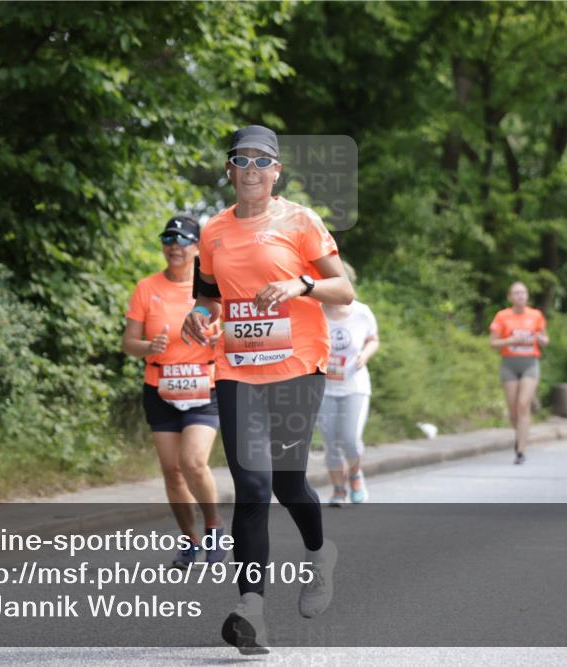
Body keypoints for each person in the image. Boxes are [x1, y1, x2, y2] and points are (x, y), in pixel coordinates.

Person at [181, 125, 354, 654]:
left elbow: (343, 290)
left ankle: (319, 554)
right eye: (242, 160)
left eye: (262, 161)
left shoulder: (300, 220)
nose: (252, 169)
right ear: (230, 170)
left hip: (298, 365)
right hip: (237, 369)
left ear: (277, 171)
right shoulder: (212, 231)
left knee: (286, 482)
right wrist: (196, 316)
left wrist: (300, 284)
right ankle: (251, 610)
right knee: (252, 488)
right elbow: (207, 299)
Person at [123, 215, 226, 568]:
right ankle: (189, 540)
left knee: (193, 461)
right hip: (161, 387)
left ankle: (213, 527)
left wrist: (217, 337)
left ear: (197, 247)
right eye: (169, 239)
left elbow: (234, 335)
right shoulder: (146, 288)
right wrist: (149, 346)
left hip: (203, 386)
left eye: (183, 240)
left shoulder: (211, 288)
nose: (175, 246)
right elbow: (128, 343)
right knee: (172, 471)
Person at [317, 262, 379, 505]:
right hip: (324, 389)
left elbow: (373, 339)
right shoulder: (315, 312)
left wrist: (365, 354)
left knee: (351, 440)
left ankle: (355, 475)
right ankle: (338, 490)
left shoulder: (362, 312)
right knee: (331, 442)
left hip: (355, 385)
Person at [489, 282, 548, 464]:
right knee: (513, 411)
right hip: (509, 364)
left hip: (530, 363)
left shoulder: (536, 315)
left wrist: (540, 338)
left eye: (523, 293)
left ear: (527, 296)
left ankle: (521, 451)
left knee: (523, 405)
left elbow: (545, 340)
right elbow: (492, 342)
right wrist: (511, 340)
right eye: (516, 293)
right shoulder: (502, 316)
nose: (520, 296)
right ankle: (520, 435)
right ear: (510, 297)